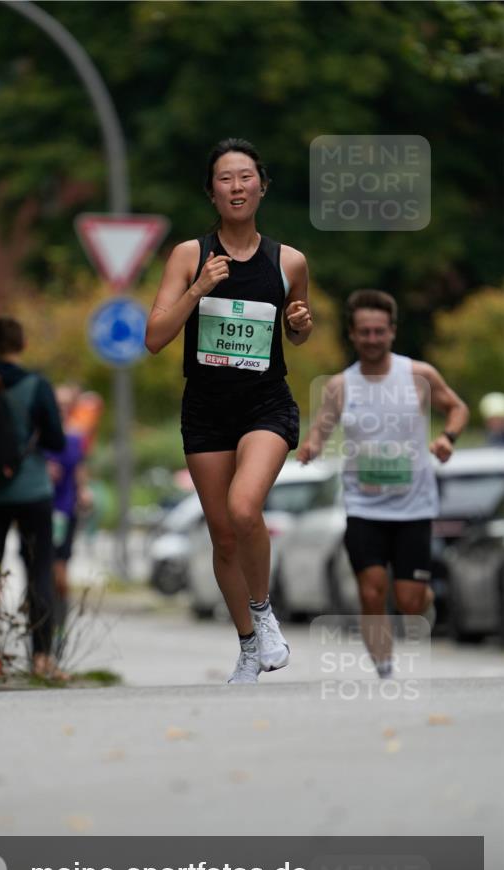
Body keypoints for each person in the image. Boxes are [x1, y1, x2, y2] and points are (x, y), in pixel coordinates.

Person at [145, 138, 312, 684]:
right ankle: (247, 646)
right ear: (212, 193)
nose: (236, 187)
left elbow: (294, 328)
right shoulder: (189, 256)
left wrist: (301, 326)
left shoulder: (289, 260)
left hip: (266, 404)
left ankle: (264, 617)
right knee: (221, 536)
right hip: (207, 411)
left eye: (246, 177)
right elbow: (154, 338)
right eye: (225, 179)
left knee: (245, 510)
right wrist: (198, 289)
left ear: (261, 187)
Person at [297, 289, 470, 677]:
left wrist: (448, 438)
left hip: (414, 505)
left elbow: (457, 407)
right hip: (364, 504)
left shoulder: (418, 375)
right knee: (371, 589)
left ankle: (424, 599)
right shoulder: (340, 386)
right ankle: (384, 664)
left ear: (392, 331)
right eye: (364, 332)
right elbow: (320, 432)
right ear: (353, 335)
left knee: (409, 601)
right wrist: (309, 448)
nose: (372, 339)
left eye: (379, 331)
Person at [0, 317, 66, 680]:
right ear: (21, 345)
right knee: (38, 571)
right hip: (33, 489)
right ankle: (41, 658)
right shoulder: (37, 386)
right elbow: (57, 440)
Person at [46, 384, 93, 650]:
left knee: (61, 576)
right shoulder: (37, 435)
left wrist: (84, 492)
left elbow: (79, 468)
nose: (62, 409)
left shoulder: (75, 437)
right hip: (40, 509)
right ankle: (39, 628)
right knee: (40, 574)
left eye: (66, 404)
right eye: (58, 403)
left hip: (65, 510)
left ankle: (59, 629)